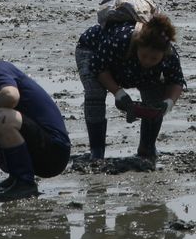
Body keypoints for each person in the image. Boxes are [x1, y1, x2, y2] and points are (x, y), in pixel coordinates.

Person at [0, 36, 72, 201]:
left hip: (54, 150)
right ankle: (16, 178)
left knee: (1, 116)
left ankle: (25, 182)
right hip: (36, 154)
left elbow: (10, 95)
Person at [74, 12, 185, 162]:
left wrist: (168, 104)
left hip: (132, 70)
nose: (148, 61)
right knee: (95, 93)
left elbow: (176, 81)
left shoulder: (170, 55)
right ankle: (97, 152)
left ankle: (147, 148)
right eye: (144, 55)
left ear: (163, 55)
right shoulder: (122, 40)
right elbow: (98, 67)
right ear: (138, 46)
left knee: (155, 99)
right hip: (94, 51)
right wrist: (119, 93)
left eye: (154, 58)